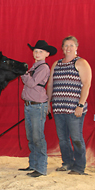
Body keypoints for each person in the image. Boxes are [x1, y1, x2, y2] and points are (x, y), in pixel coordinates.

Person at [47, 36, 92, 175]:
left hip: (74, 109)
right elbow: (50, 85)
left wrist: (80, 104)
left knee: (76, 138)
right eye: (66, 46)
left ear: (76, 47)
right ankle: (67, 163)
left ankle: (79, 167)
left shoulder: (81, 63)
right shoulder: (56, 64)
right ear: (62, 48)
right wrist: (48, 102)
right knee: (63, 139)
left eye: (71, 45)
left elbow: (86, 85)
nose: (68, 48)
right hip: (59, 108)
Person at [18, 40, 57, 177]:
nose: (37, 53)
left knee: (37, 137)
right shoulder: (34, 67)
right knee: (31, 136)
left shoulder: (44, 68)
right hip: (29, 105)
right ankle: (33, 164)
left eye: (40, 51)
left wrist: (22, 72)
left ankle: (41, 168)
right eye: (35, 51)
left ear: (47, 54)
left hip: (37, 106)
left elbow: (32, 82)